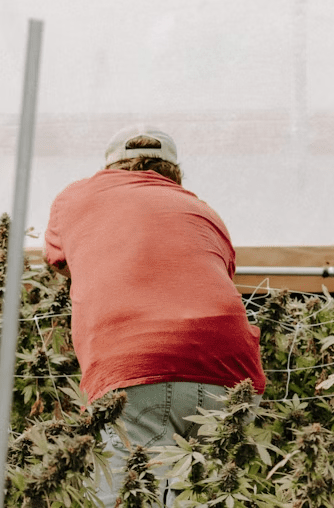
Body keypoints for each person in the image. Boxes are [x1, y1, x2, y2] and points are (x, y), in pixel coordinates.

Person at [44, 125, 265, 504]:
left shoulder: (76, 197)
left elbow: (57, 261)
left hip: (136, 366)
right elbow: (220, 272)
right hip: (231, 370)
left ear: (110, 168)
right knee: (208, 494)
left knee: (130, 494)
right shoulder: (203, 210)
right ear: (174, 173)